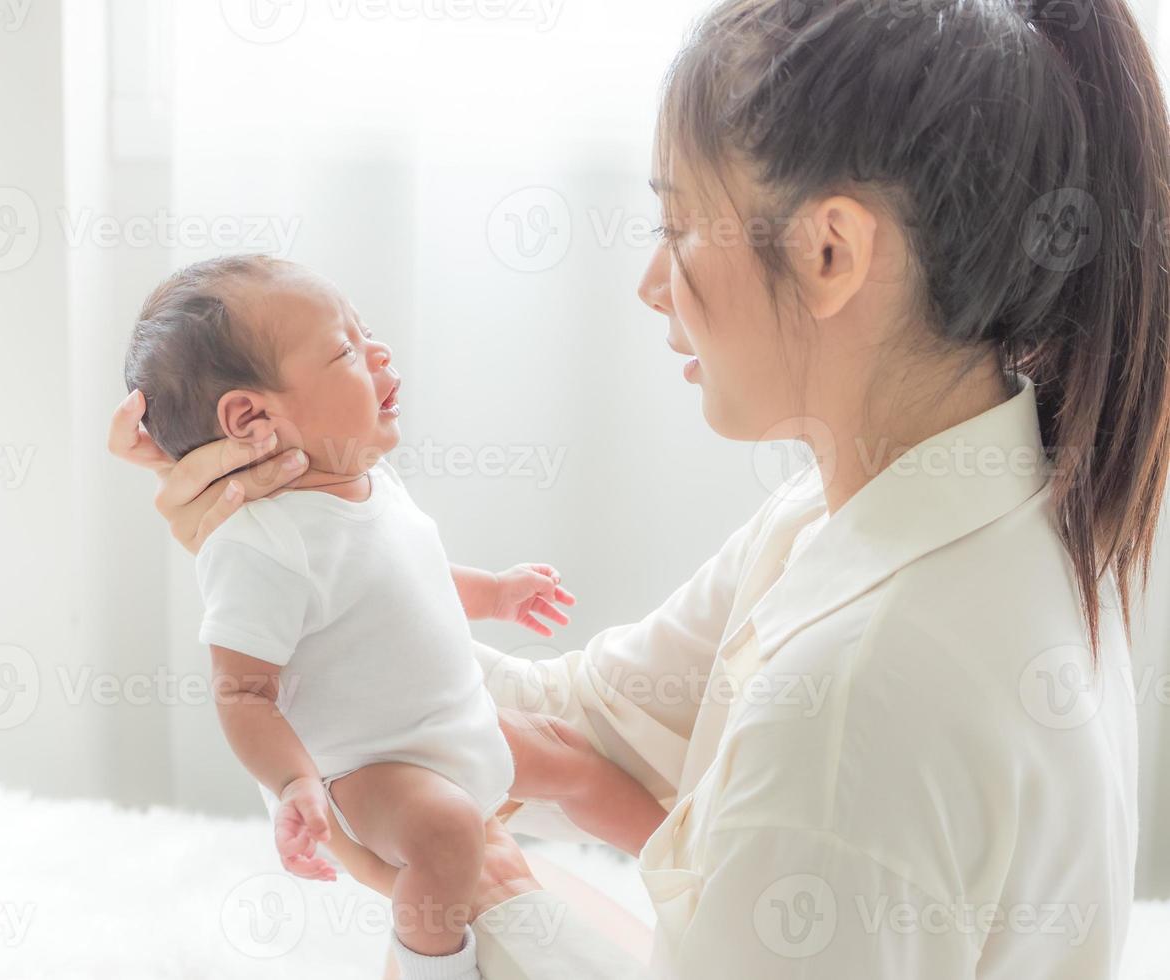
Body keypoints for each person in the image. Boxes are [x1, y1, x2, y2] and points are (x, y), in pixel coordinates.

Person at [109, 0, 1170, 975]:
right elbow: (589, 725)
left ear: (831, 250)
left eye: (673, 225)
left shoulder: (856, 700)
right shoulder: (926, 496)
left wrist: (487, 882)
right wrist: (292, 559)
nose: (649, 282)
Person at [120, 256, 666, 972]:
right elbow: (242, 690)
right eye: (345, 349)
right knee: (446, 836)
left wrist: (495, 593)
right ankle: (429, 963)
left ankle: (687, 863)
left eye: (365, 329)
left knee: (568, 755)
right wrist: (294, 784)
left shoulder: (370, 480)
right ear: (252, 417)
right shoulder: (261, 544)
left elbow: (412, 580)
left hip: (449, 723)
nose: (377, 351)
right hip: (371, 767)